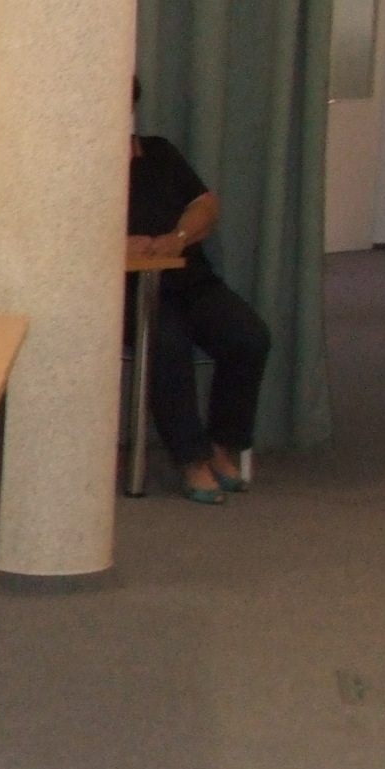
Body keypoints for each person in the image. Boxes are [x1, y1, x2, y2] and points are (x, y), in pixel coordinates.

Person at [128, 80, 270, 504]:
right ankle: (191, 459)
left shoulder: (160, 152)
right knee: (166, 345)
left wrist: (177, 237)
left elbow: (205, 206)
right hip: (132, 291)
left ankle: (223, 445)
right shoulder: (82, 163)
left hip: (189, 278)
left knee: (249, 337)